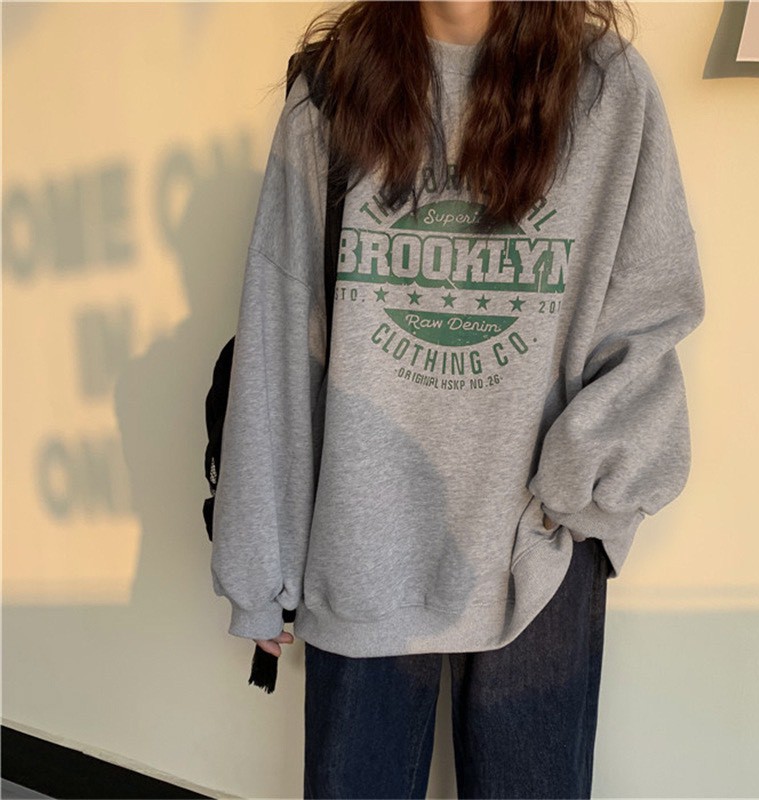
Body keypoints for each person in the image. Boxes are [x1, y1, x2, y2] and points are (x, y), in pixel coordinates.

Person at [210, 1, 705, 797]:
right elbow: (280, 332)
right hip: (361, 541)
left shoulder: (606, 90)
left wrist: (579, 497)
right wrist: (259, 567)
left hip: (537, 551)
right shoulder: (335, 89)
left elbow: (649, 315)